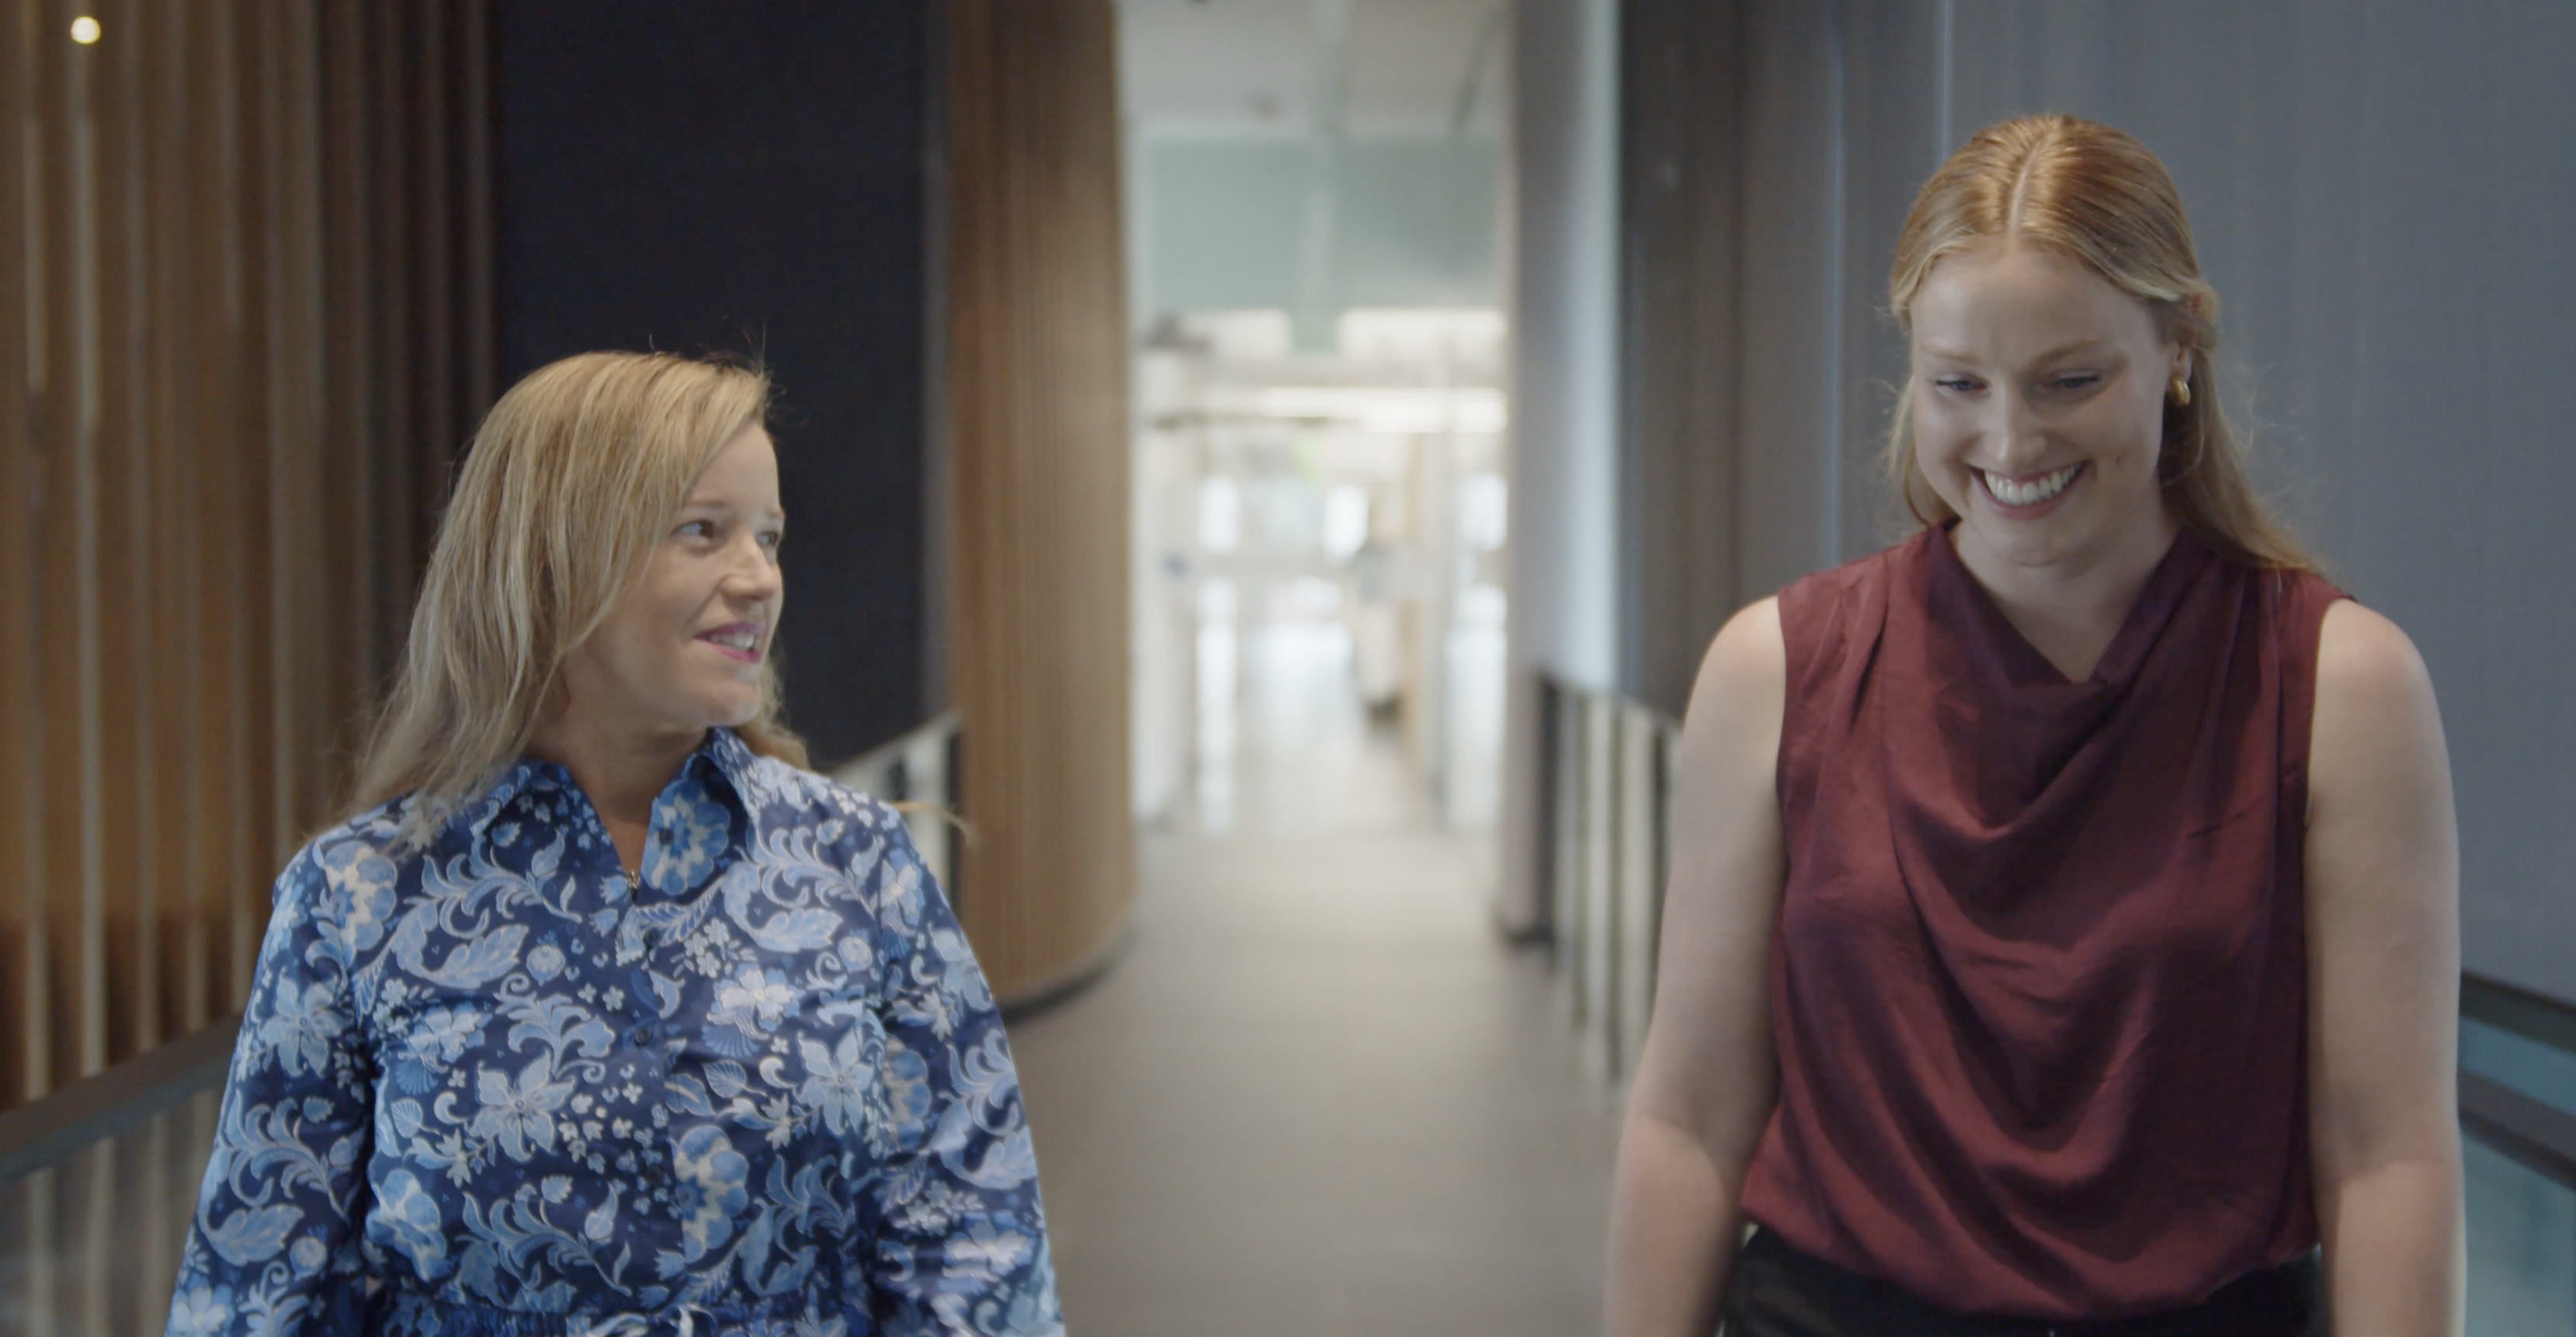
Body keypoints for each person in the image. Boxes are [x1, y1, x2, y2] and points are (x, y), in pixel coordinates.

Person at [1604, 115, 2462, 1336]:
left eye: (2069, 380)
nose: (2008, 443)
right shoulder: (1778, 666)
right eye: (1958, 384)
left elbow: (2386, 1157)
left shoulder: (2339, 683)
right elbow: (1688, 1113)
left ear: (2176, 349)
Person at [165, 352, 1063, 1337]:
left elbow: (974, 1247)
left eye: (769, 537)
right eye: (703, 532)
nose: (758, 577)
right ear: (556, 557)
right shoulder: (361, 894)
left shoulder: (856, 861)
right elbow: (257, 1286)